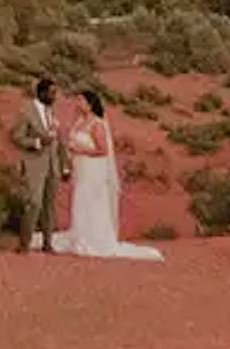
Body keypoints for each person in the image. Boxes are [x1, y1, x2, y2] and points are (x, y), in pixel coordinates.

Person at [54, 86, 161, 261]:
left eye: (81, 100)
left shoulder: (97, 123)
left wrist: (81, 150)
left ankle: (93, 239)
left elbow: (102, 150)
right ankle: (81, 235)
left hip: (92, 169)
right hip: (81, 168)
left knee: (91, 200)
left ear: (90, 104)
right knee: (80, 200)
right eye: (77, 100)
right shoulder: (79, 121)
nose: (77, 103)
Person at [12, 76, 64, 252]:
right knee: (34, 203)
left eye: (55, 92)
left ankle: (47, 244)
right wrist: (38, 142)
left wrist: (64, 165)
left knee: (50, 206)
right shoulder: (26, 111)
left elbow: (58, 140)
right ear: (41, 93)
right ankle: (24, 244)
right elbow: (17, 137)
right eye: (52, 93)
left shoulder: (52, 112)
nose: (55, 96)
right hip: (34, 164)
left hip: (53, 165)